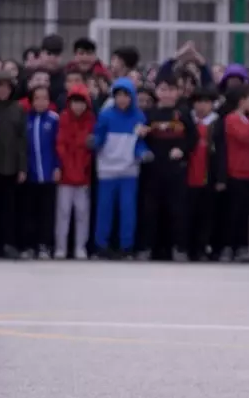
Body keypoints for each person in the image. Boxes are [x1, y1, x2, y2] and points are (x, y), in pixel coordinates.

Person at [138, 74, 197, 261]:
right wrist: (142, 134)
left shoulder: (183, 113)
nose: (167, 94)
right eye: (163, 89)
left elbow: (193, 138)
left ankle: (179, 247)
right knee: (150, 210)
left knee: (177, 209)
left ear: (178, 92)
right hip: (152, 169)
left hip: (176, 170)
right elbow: (140, 138)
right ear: (156, 92)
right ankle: (147, 247)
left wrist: (182, 149)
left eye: (171, 90)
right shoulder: (149, 114)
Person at [92, 78, 148, 260]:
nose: (122, 99)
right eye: (118, 95)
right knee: (104, 209)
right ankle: (101, 245)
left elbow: (139, 142)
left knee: (128, 209)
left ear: (132, 97)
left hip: (129, 171)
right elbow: (98, 137)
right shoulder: (105, 115)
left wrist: (143, 153)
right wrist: (93, 142)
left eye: (126, 95)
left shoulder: (139, 117)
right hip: (107, 169)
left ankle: (126, 246)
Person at [221, 91, 249, 262]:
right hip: (236, 170)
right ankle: (229, 245)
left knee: (246, 212)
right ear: (241, 101)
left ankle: (242, 245)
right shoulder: (232, 119)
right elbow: (245, 137)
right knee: (234, 211)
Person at [0, 72, 27, 258]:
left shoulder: (17, 109)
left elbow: (22, 140)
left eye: (7, 87)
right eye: (0, 87)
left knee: (8, 208)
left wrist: (22, 167)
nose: (3, 91)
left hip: (11, 165)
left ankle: (6, 243)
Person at [54, 83, 95, 260]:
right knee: (63, 212)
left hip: (84, 173)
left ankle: (80, 247)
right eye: (75, 102)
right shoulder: (62, 119)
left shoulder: (91, 120)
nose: (78, 106)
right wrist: (63, 166)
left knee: (82, 213)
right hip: (65, 173)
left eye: (82, 102)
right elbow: (59, 145)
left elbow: (92, 147)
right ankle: (60, 247)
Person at [21, 86, 60, 260]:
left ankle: (45, 244)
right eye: (37, 98)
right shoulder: (26, 120)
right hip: (30, 173)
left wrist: (57, 166)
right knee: (29, 211)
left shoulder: (53, 119)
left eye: (44, 98)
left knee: (47, 211)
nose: (41, 102)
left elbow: (58, 146)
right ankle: (29, 244)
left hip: (49, 174)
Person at [186, 90, 219, 261]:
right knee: (188, 213)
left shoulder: (217, 123)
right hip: (188, 174)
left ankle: (202, 247)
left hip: (209, 175)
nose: (202, 106)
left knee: (207, 215)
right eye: (198, 101)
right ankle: (187, 247)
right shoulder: (187, 121)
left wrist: (221, 178)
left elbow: (222, 153)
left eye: (206, 102)